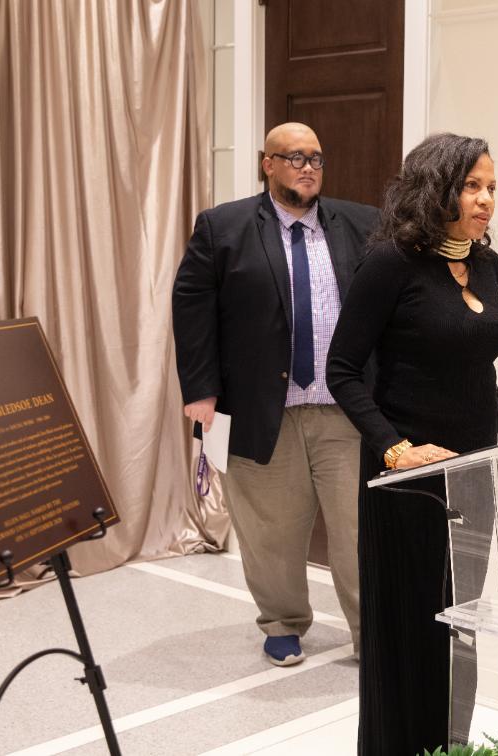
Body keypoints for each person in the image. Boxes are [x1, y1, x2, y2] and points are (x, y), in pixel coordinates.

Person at [326, 133, 498, 756]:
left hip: (475, 473)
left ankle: (450, 745)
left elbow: (475, 369)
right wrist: (395, 449)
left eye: (492, 187)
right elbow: (343, 369)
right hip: (409, 482)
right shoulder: (392, 263)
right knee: (414, 631)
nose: (485, 200)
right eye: (472, 186)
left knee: (463, 629)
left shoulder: (491, 265)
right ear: (438, 188)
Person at [172, 122, 377, 666]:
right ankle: (283, 622)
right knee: (271, 531)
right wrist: (201, 391)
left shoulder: (362, 225)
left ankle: (371, 630)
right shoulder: (224, 227)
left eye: (316, 157)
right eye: (294, 157)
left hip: (344, 410)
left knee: (359, 528)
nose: (307, 167)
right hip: (263, 408)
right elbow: (192, 308)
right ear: (267, 163)